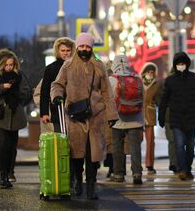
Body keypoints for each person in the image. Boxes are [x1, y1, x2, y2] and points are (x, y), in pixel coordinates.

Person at [51, 32, 118, 200]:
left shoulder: (99, 66)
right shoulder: (67, 65)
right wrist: (57, 95)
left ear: (91, 48)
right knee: (76, 153)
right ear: (77, 47)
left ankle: (91, 186)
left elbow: (107, 93)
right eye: (81, 46)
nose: (84, 49)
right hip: (74, 116)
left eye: (87, 47)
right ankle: (77, 180)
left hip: (96, 116)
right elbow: (57, 84)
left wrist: (111, 115)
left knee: (93, 155)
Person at [0, 48, 30, 189]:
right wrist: (2, 87)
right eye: (7, 65)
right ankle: (2, 175)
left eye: (12, 65)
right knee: (2, 144)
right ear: (1, 64)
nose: (9, 67)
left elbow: (26, 92)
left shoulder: (20, 77)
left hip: (15, 116)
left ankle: (10, 172)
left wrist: (16, 92)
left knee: (11, 146)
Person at [158, 52, 195, 181]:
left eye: (183, 63)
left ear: (187, 64)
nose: (181, 66)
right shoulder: (170, 80)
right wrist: (161, 117)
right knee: (179, 145)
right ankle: (182, 170)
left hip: (191, 117)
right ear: (175, 65)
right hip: (176, 118)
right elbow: (164, 100)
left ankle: (188, 168)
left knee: (190, 148)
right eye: (178, 64)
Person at [109, 54, 144, 184]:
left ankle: (118, 174)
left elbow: (108, 100)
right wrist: (143, 121)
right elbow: (143, 101)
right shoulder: (137, 79)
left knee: (117, 147)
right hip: (136, 120)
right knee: (135, 148)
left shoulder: (111, 80)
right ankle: (137, 174)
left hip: (117, 120)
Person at [40, 37, 75, 133]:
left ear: (72, 51)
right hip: (58, 109)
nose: (65, 53)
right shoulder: (50, 68)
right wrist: (44, 113)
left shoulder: (77, 66)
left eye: (68, 50)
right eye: (63, 50)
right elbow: (45, 91)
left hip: (76, 110)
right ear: (58, 51)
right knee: (61, 140)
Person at [140, 62, 162, 175]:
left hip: (150, 113)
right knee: (136, 141)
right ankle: (137, 165)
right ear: (144, 72)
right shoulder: (138, 82)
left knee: (150, 141)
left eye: (152, 72)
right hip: (138, 114)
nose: (150, 74)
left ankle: (149, 165)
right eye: (148, 71)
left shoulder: (157, 85)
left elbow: (159, 100)